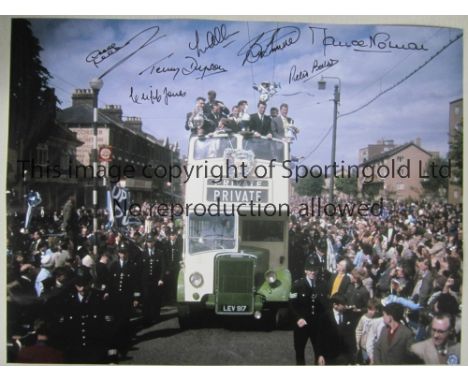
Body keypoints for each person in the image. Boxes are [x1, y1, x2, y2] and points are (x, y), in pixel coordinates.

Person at [289, 255, 328, 365]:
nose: (312, 272)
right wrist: (298, 318)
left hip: (317, 325)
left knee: (319, 352)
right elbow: (292, 304)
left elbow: (325, 306)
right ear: (305, 270)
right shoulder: (298, 285)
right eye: (310, 270)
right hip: (302, 324)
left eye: (315, 269)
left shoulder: (323, 285)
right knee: (300, 352)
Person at [316, 294, 356, 365]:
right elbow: (320, 337)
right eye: (343, 304)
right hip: (330, 355)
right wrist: (320, 355)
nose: (345, 306)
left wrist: (352, 354)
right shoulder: (325, 317)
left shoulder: (349, 315)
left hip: (345, 355)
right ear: (335, 305)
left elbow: (352, 335)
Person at [140, 235, 165, 324]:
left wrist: (161, 278)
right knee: (146, 299)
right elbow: (140, 268)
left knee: (156, 299)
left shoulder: (159, 253)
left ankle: (156, 316)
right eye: (148, 242)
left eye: (151, 242)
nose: (149, 243)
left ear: (154, 242)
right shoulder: (142, 254)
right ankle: (146, 317)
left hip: (156, 280)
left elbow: (162, 267)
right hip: (145, 281)